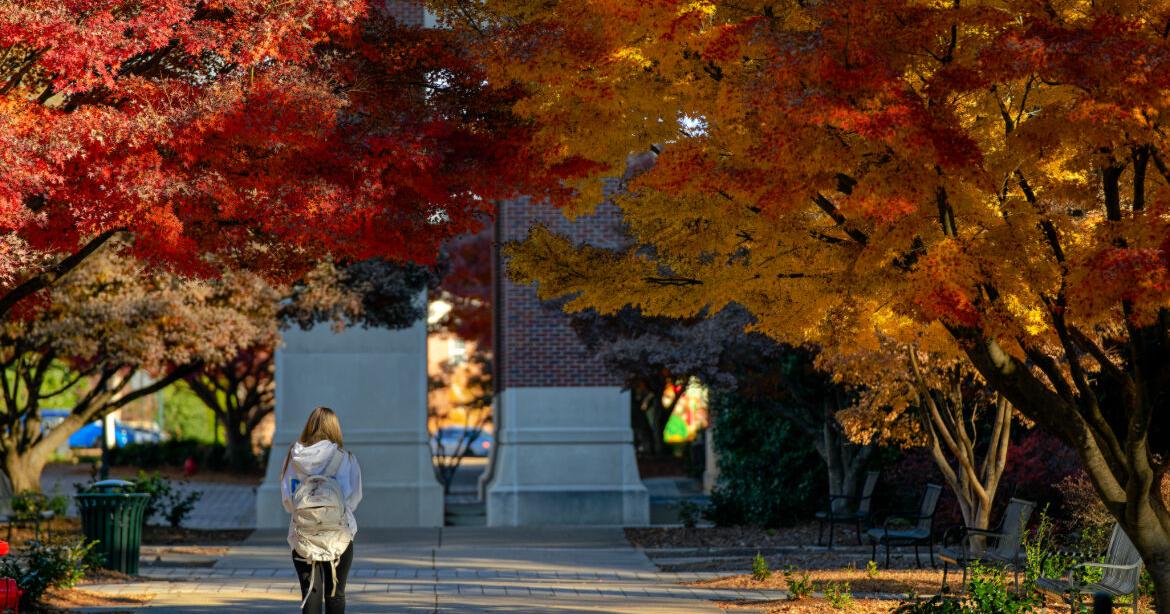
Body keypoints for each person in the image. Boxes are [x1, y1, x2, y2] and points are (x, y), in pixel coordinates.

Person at [280, 407, 362, 614]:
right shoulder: (346, 458)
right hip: (339, 536)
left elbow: (287, 501)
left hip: (302, 535)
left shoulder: (293, 457)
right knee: (336, 594)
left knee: (310, 594)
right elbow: (354, 498)